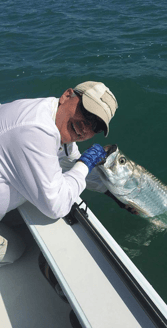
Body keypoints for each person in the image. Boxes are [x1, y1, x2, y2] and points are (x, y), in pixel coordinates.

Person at [0, 81, 120, 266]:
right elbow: (56, 206)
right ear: (67, 95)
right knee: (17, 249)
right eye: (87, 113)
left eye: (95, 126)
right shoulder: (36, 131)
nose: (85, 128)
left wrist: (115, 193)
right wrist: (85, 163)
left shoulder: (52, 117)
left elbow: (73, 164)